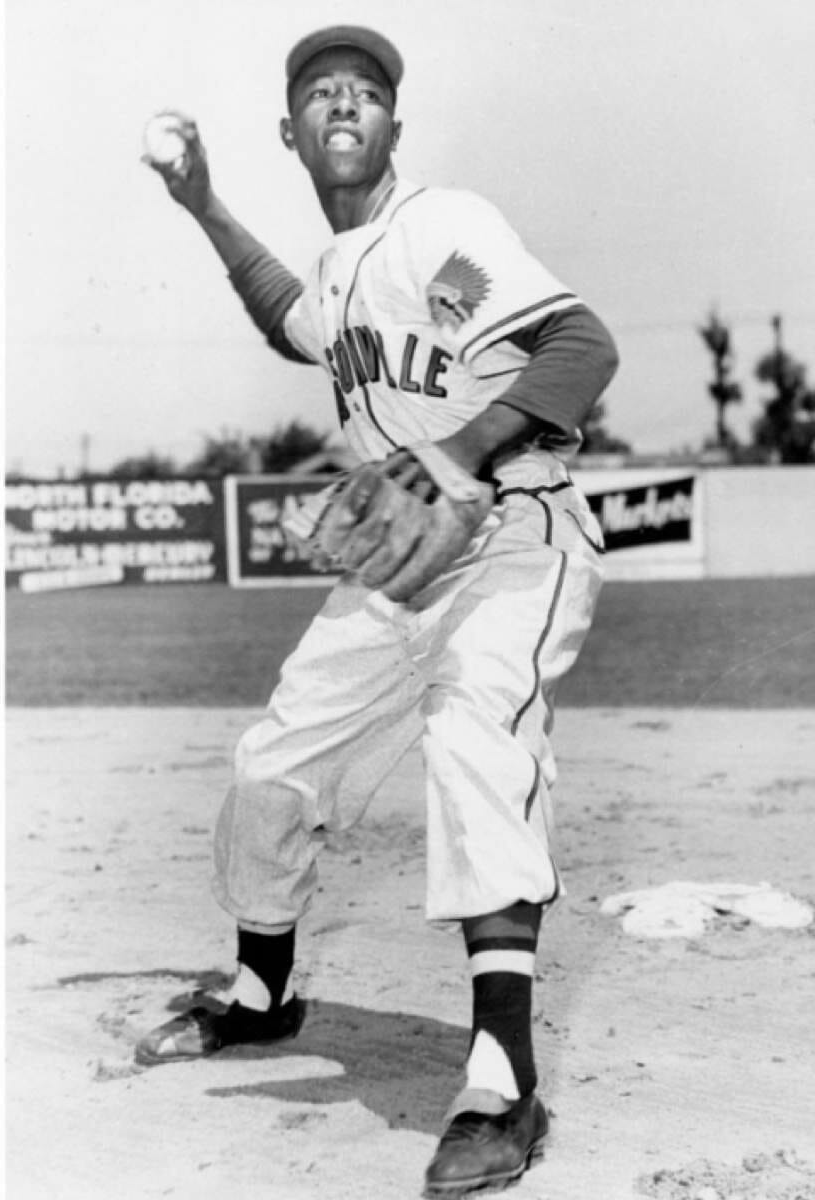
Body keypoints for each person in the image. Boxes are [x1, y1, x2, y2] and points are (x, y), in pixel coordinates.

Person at [134, 25, 617, 1197]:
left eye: (363, 93)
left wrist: (458, 449)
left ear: (392, 127)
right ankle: (263, 993)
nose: (342, 104)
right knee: (272, 768)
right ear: (292, 132)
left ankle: (502, 1082)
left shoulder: (443, 228)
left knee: (472, 744)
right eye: (318, 94)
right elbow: (293, 317)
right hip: (404, 568)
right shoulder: (357, 267)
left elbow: (579, 345)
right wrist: (202, 205)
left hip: (512, 533)